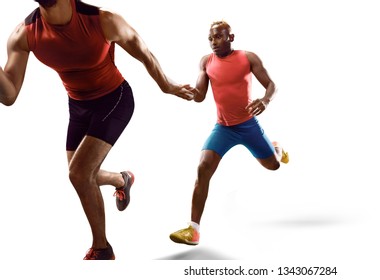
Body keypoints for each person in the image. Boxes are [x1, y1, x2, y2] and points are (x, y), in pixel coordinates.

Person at [0, 0, 196, 260]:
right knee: (80, 175)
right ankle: (121, 179)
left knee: (79, 173)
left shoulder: (103, 20)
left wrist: (166, 85)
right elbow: (9, 94)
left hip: (114, 99)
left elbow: (143, 51)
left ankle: (102, 249)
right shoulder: (24, 34)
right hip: (78, 107)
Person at [169, 20, 289, 246]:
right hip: (223, 128)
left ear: (231, 38)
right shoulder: (206, 62)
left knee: (273, 165)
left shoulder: (248, 58)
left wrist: (265, 100)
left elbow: (272, 84)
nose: (214, 42)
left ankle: (276, 148)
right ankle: (193, 230)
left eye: (219, 37)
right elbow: (200, 95)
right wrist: (183, 91)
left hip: (248, 126)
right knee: (203, 168)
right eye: (210, 38)